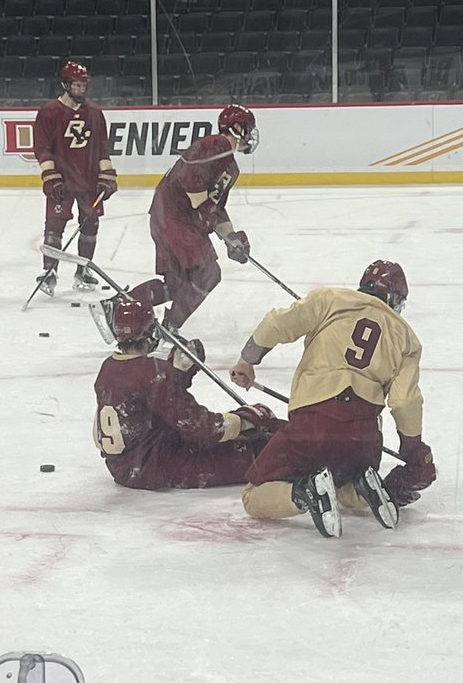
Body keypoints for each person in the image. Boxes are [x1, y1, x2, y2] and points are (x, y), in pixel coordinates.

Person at [229, 260, 436, 539]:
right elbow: (404, 401)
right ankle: (362, 487)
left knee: (252, 496)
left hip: (313, 422)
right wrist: (413, 449)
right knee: (341, 484)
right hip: (363, 437)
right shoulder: (408, 339)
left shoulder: (331, 299)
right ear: (394, 299)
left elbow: (276, 323)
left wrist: (247, 361)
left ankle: (304, 493)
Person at [90, 104, 258, 341]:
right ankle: (170, 326)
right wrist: (202, 211)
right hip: (176, 219)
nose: (250, 136)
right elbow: (192, 180)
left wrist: (232, 238)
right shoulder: (216, 145)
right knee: (208, 273)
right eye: (248, 129)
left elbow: (215, 207)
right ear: (237, 128)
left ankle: (118, 306)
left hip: (166, 217)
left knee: (178, 282)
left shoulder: (230, 166)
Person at [93, 297, 280, 490]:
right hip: (155, 466)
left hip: (124, 466)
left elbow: (155, 396)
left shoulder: (109, 367)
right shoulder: (152, 373)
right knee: (257, 452)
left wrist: (180, 371)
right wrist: (245, 420)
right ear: (150, 333)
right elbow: (199, 427)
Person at [33, 61, 118, 296]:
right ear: (65, 84)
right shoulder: (48, 112)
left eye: (83, 85)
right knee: (54, 226)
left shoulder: (95, 114)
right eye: (77, 85)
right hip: (62, 180)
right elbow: (42, 148)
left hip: (89, 182)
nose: (81, 89)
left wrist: (107, 175)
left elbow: (102, 149)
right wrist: (51, 177)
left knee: (91, 225)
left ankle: (83, 270)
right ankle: (49, 272)